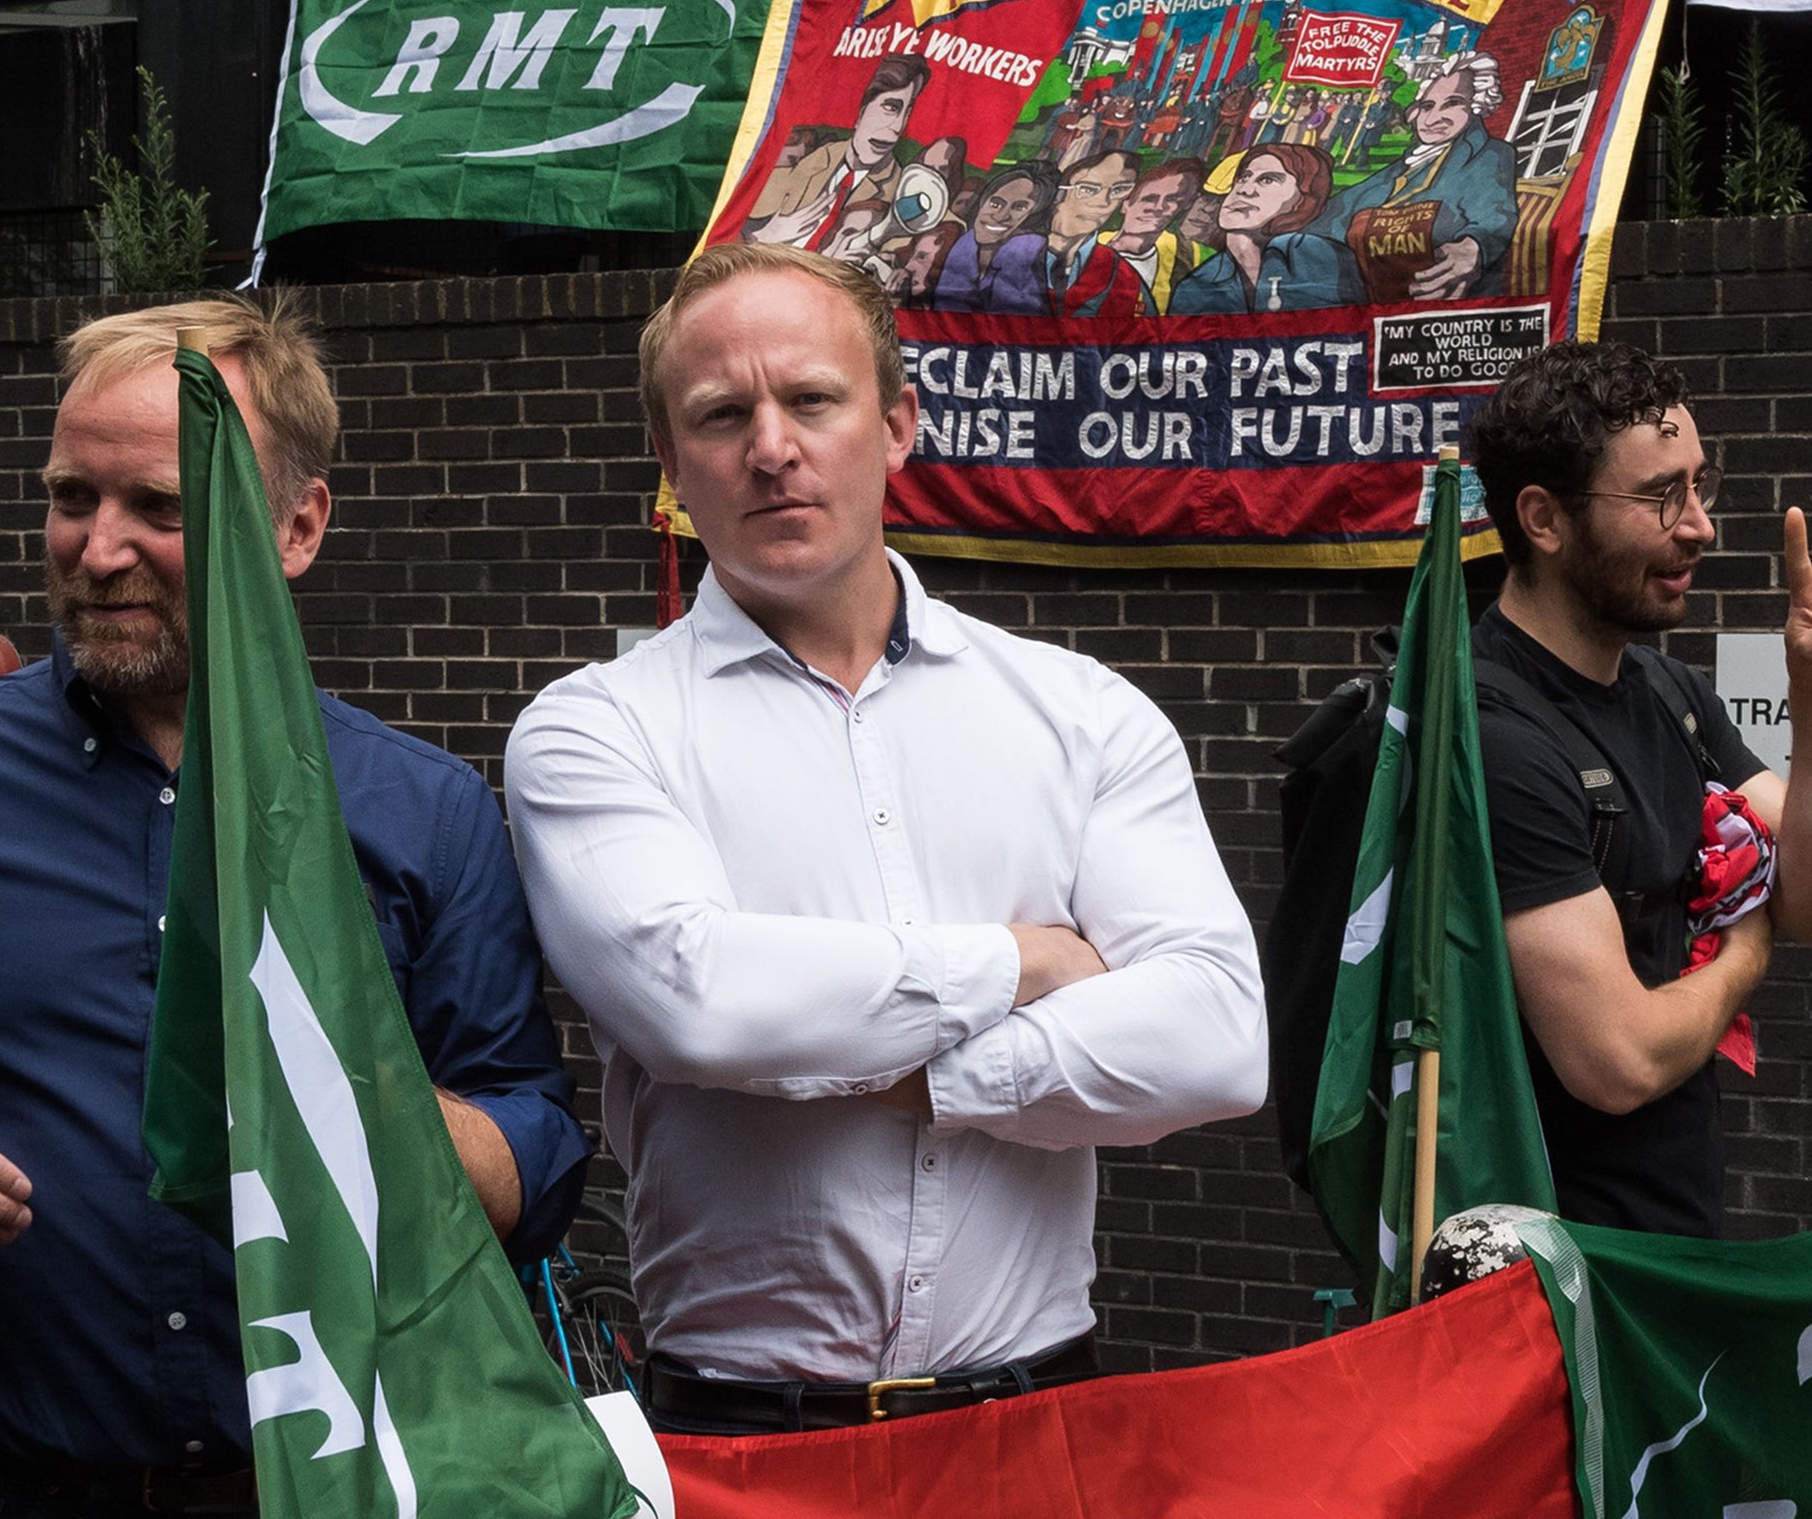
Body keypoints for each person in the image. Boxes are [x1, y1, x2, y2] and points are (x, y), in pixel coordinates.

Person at [0, 296, 591, 1515]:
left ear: (295, 528)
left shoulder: (420, 809)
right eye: (71, 496)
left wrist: (369, 1123)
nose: (95, 550)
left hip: (324, 1486)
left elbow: (541, 1151)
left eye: (161, 506)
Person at [506, 244, 1266, 1433]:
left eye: (811, 399)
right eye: (720, 415)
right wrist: (1027, 963)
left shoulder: (1077, 713)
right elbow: (699, 1004)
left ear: (898, 423)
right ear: (669, 464)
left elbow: (1216, 1038)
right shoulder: (595, 733)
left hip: (1037, 1422)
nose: (771, 448)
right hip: (746, 1439)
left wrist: (926, 1076)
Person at [1468, 340, 1812, 1236]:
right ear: (1543, 518)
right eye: (1663, 496)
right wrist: (1745, 955)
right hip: (1552, 1274)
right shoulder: (1496, 736)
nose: (1701, 526)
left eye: (1701, 484)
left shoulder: (1667, 693)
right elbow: (1616, 1059)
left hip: (1668, 1238)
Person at [1318, 51, 1518, 301]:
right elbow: (1336, 212)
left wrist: (1474, 246)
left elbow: (1493, 212)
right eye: (1427, 106)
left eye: (1453, 103)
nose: (1434, 118)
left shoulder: (1490, 154)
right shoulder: (1400, 167)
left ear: (1476, 106)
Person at [744, 55, 931, 251]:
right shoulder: (811, 159)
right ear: (862, 110)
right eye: (891, 107)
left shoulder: (902, 190)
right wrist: (763, 236)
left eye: (907, 113)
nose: (897, 127)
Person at [1169, 144, 1361, 315]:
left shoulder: (1317, 256)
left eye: (1267, 180)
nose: (1244, 189)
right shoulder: (1196, 283)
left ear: (1302, 200)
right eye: (1244, 177)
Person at [986, 149, 1148, 317]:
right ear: (1058, 192)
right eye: (1088, 189)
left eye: (1119, 189)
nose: (1103, 202)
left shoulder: (1123, 275)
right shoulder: (1004, 251)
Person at [933, 162, 1055, 313]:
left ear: (1034, 218)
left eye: (1019, 208)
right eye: (995, 203)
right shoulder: (965, 245)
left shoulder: (1032, 252)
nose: (1000, 216)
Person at [1100, 158, 1206, 313]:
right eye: (1149, 199)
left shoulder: (1189, 256)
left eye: (1172, 199)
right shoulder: (1088, 246)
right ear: (1126, 205)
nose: (1158, 208)